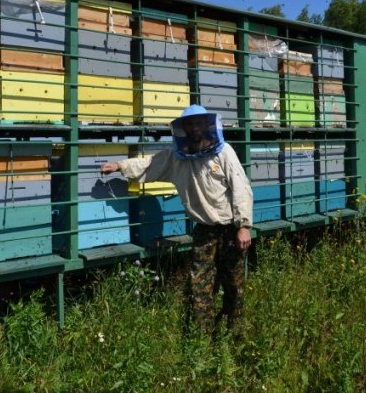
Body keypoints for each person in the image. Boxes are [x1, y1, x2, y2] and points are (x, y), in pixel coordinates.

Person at [100, 105, 253, 334]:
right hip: (204, 231)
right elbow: (150, 164)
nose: (195, 128)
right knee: (200, 285)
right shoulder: (177, 157)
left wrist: (244, 226)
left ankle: (236, 333)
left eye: (198, 123)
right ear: (184, 128)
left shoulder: (224, 152)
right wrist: (120, 166)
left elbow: (241, 188)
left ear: (207, 125)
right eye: (190, 124)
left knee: (233, 283)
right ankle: (203, 338)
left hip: (230, 229)